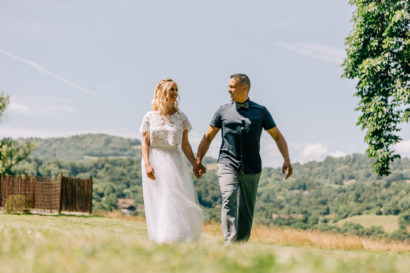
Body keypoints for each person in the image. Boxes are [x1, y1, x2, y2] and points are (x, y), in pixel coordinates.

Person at [195, 73, 292, 244]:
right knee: (229, 196)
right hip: (227, 163)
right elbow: (208, 136)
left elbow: (277, 136)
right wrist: (198, 159)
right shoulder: (222, 111)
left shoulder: (261, 112)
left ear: (244, 88)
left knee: (246, 210)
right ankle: (230, 242)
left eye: (232, 86)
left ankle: (241, 245)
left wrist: (286, 159)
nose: (228, 89)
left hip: (252, 166)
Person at [140, 78, 203, 244]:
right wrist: (147, 164)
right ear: (162, 93)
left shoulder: (181, 117)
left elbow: (186, 145)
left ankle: (177, 237)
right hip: (154, 160)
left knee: (174, 197)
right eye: (172, 89)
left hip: (174, 160)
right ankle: (162, 236)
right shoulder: (149, 117)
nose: (176, 93)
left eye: (176, 89)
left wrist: (195, 163)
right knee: (159, 198)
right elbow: (145, 143)